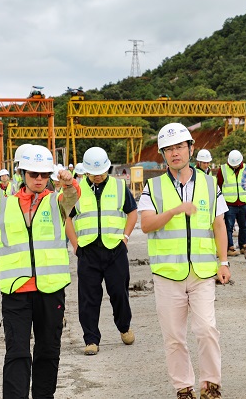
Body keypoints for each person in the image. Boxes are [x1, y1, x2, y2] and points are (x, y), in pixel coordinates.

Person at [139, 123, 230, 399]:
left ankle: (211, 385)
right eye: (168, 149)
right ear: (163, 154)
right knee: (174, 336)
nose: (175, 153)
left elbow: (219, 225)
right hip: (168, 273)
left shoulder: (210, 184)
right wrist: (175, 210)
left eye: (179, 147)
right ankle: (183, 388)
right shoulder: (153, 186)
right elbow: (146, 225)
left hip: (202, 272)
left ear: (191, 149)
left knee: (207, 329)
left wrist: (224, 261)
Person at [0, 144, 80, 399]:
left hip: (50, 289)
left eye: (44, 174)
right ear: (22, 173)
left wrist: (69, 182)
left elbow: (73, 196)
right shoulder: (5, 206)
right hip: (16, 291)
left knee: (48, 351)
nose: (39, 179)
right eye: (33, 174)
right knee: (17, 353)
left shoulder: (56, 201)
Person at [66, 146, 137, 356]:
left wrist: (125, 237)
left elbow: (132, 212)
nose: (97, 176)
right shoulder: (77, 190)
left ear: (107, 168)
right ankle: (91, 339)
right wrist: (75, 245)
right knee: (88, 297)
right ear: (86, 171)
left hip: (115, 250)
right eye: (92, 173)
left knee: (119, 292)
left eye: (101, 172)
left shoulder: (119, 186)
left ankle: (124, 327)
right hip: (88, 251)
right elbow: (66, 217)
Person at [217, 150, 246, 260]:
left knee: (244, 226)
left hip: (243, 202)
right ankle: (230, 247)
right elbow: (219, 185)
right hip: (229, 204)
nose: (235, 166)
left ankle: (243, 245)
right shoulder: (223, 169)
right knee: (228, 227)